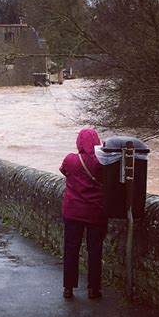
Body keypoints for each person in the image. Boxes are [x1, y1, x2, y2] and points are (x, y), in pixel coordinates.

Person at [59, 128, 107, 299]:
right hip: (96, 211)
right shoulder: (102, 161)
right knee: (94, 250)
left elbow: (64, 171)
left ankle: (68, 288)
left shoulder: (70, 159)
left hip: (73, 211)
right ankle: (94, 289)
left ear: (79, 142)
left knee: (71, 249)